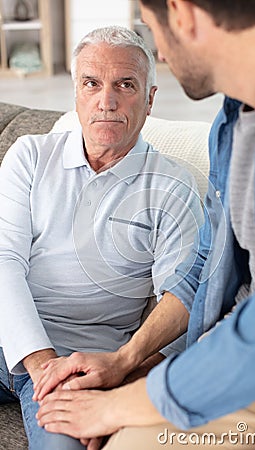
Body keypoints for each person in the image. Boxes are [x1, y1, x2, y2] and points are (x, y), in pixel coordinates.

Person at [35, 1, 255, 449]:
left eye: (150, 23)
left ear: (181, 13)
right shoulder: (234, 121)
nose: (158, 50)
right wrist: (125, 360)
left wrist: (122, 403)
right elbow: (205, 266)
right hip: (245, 375)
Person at [0, 25, 203, 450]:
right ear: (76, 91)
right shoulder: (30, 156)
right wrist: (42, 366)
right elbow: (4, 261)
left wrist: (123, 382)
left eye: (124, 85)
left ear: (149, 99)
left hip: (85, 365)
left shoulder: (174, 187)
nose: (105, 102)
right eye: (91, 83)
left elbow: (183, 307)